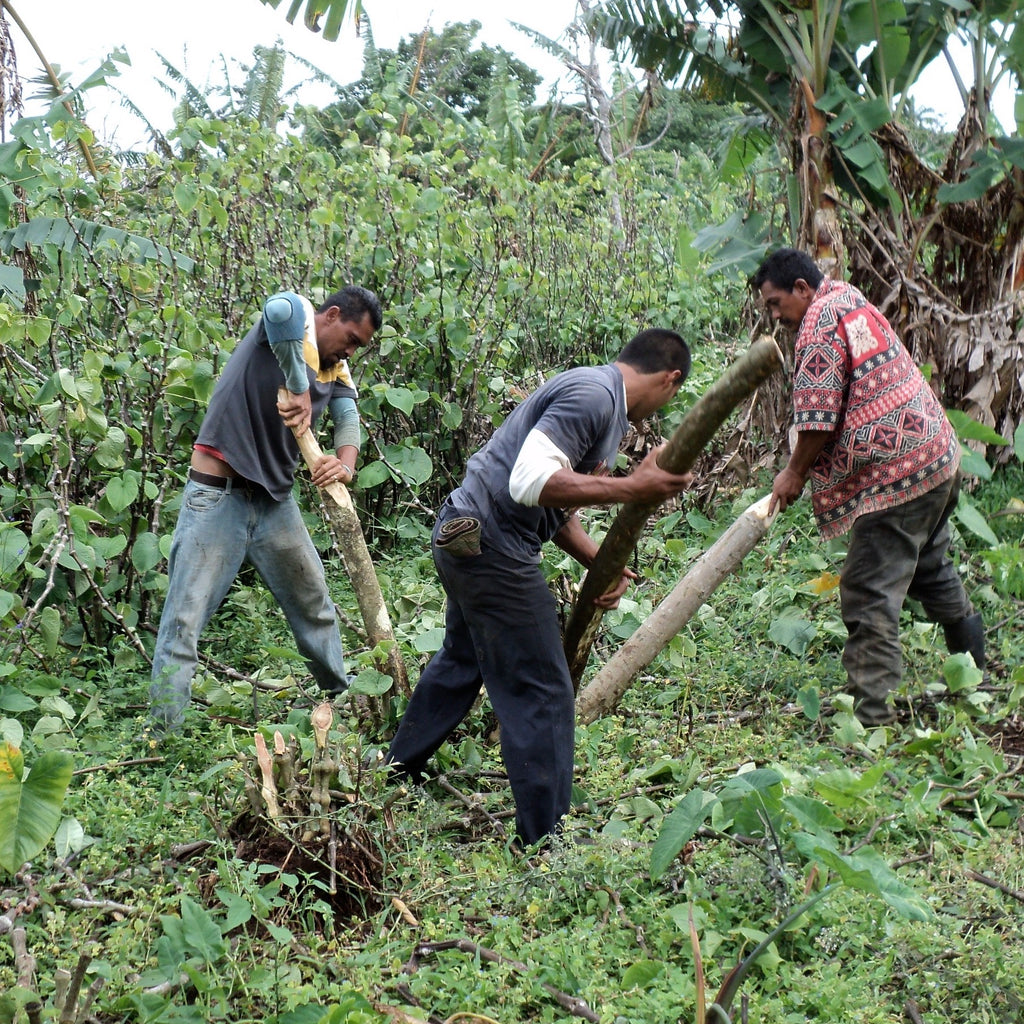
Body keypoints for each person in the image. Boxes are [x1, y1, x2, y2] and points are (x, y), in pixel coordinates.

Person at [386, 328, 694, 845]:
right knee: (544, 691)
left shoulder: (598, 398)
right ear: (670, 379)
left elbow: (549, 503)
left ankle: (393, 772)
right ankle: (545, 841)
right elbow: (529, 482)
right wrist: (632, 488)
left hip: (463, 534)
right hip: (492, 548)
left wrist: (602, 561)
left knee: (463, 661)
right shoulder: (594, 397)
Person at [753, 248, 984, 726]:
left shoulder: (817, 325)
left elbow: (817, 419)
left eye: (776, 304)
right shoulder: (846, 297)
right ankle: (975, 673)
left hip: (894, 476)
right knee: (928, 567)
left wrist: (793, 472)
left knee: (866, 590)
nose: (775, 317)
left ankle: (873, 721)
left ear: (801, 288)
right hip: (936, 456)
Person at [149, 285, 383, 735]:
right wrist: (298, 386)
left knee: (314, 604)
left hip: (274, 502)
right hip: (219, 494)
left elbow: (347, 414)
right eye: (352, 338)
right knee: (185, 620)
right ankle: (164, 739)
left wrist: (346, 464)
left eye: (360, 346)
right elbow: (279, 307)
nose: (352, 350)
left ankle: (343, 704)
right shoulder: (290, 323)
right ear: (331, 315)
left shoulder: (337, 366)